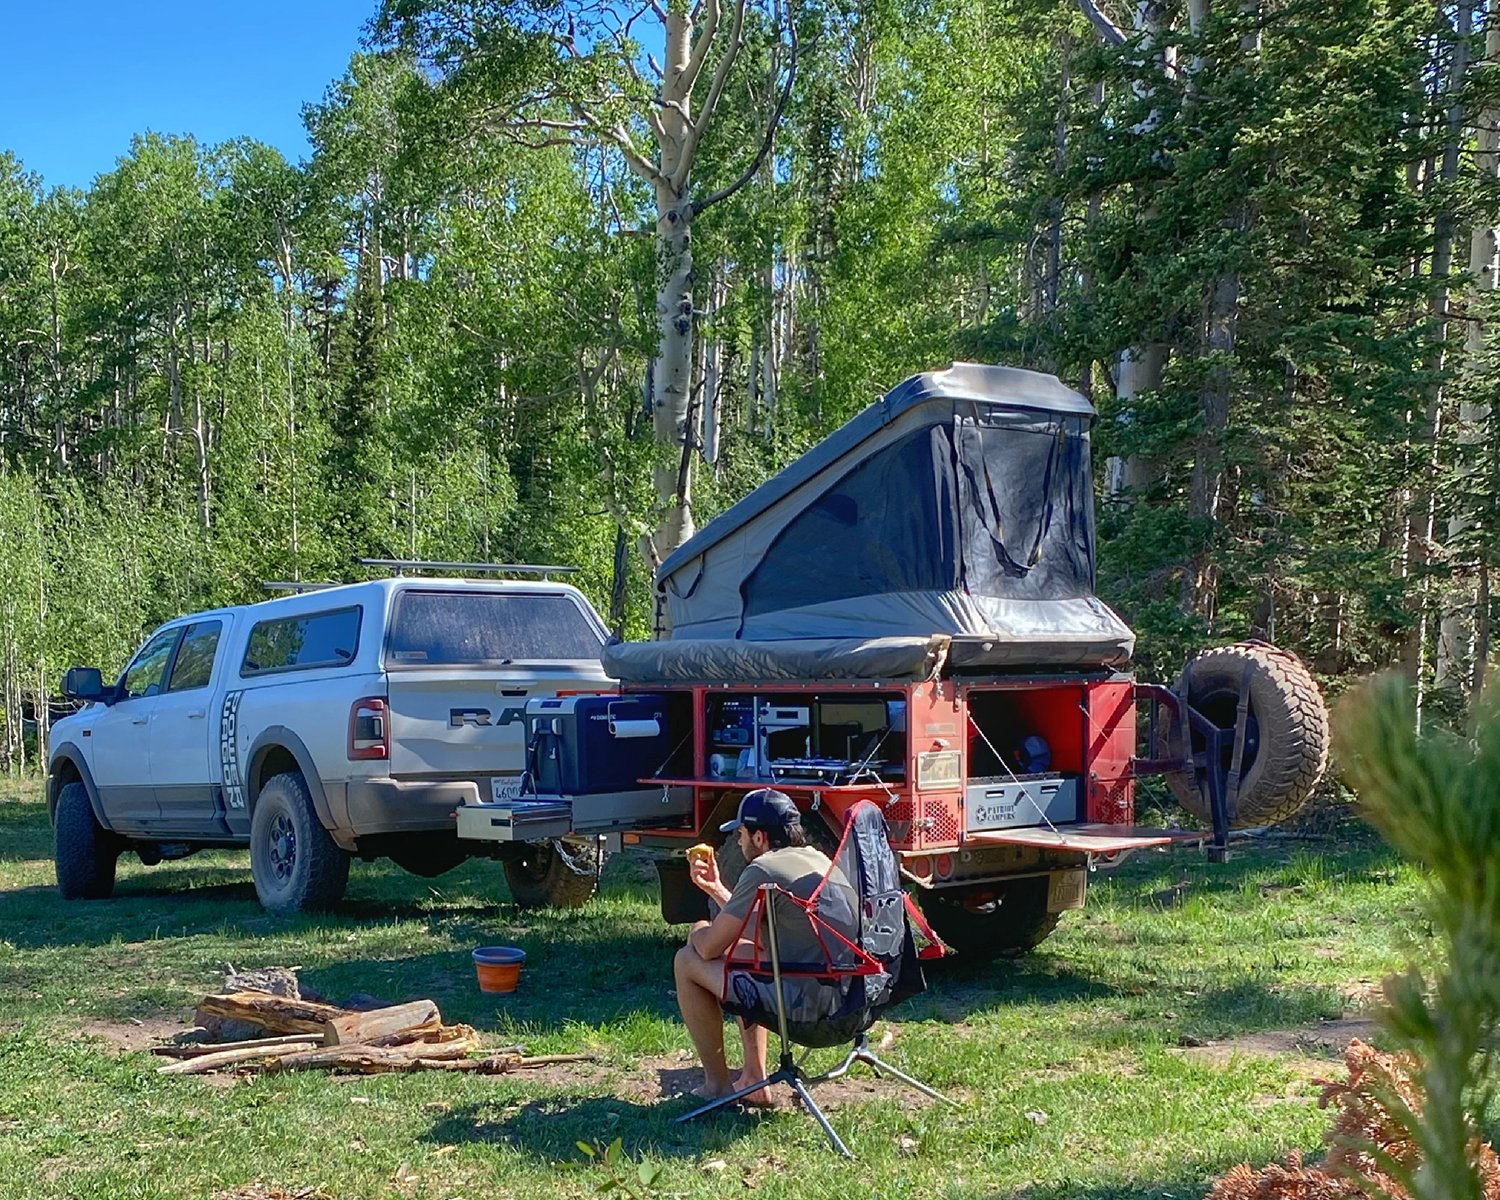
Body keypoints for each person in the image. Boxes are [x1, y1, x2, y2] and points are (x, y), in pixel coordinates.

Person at [673, 787, 856, 1105]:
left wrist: (698, 930)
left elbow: (709, 948)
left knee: (686, 960)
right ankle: (754, 1080)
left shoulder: (762, 868)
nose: (740, 841)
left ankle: (717, 1086)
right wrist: (717, 888)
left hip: (804, 1008)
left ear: (759, 837)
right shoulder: (818, 859)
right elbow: (755, 926)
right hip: (847, 998)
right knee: (747, 952)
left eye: (742, 833)